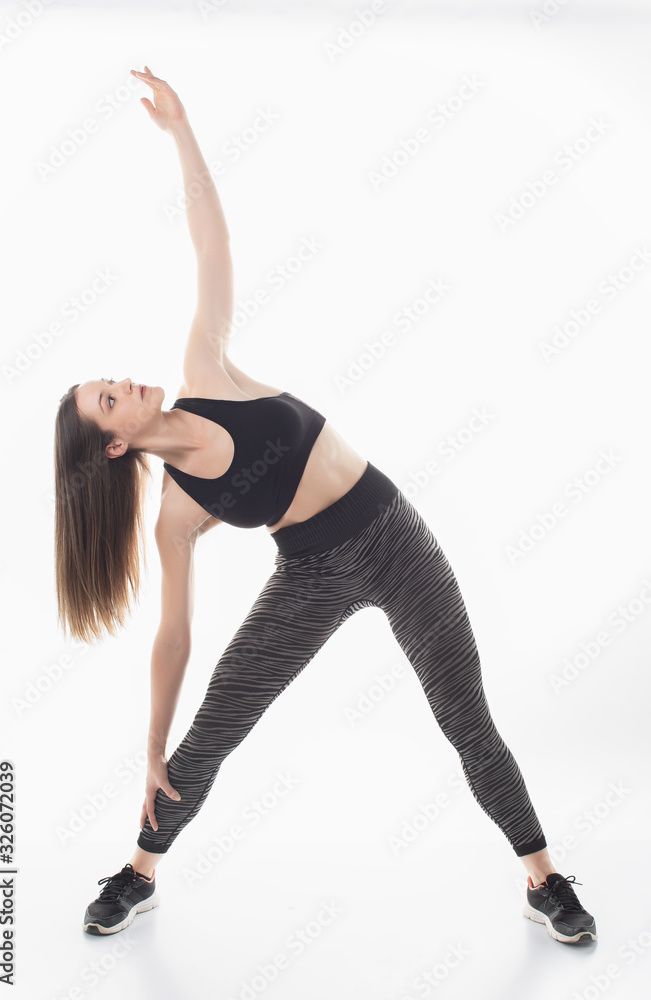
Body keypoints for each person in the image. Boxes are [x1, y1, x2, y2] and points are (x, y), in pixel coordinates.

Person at [53, 67, 596, 945]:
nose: (122, 382)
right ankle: (139, 870)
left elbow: (210, 244)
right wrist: (150, 746)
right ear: (114, 445)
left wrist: (182, 132)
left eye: (109, 379)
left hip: (394, 536)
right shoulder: (177, 513)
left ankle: (542, 877)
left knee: (464, 718)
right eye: (108, 401)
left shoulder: (206, 371)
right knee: (215, 725)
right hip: (309, 573)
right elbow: (175, 638)